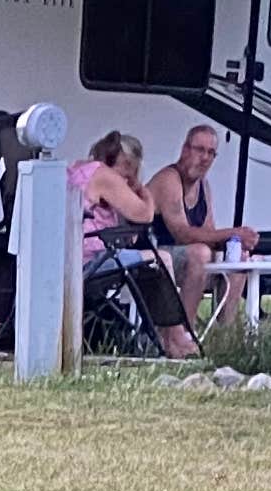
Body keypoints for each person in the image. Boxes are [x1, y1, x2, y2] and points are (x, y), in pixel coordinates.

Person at [73, 130, 201, 357]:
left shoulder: (82, 169)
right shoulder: (105, 176)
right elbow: (144, 214)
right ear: (127, 163)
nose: (128, 178)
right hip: (91, 260)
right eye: (130, 170)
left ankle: (166, 335)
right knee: (162, 259)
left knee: (143, 259)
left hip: (72, 257)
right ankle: (175, 337)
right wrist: (143, 191)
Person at [150, 122, 263, 338]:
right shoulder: (169, 179)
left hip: (188, 263)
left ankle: (224, 338)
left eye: (211, 153)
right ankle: (183, 335)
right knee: (200, 252)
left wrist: (237, 244)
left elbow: (209, 233)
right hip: (157, 259)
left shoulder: (203, 185)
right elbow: (181, 233)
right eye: (200, 150)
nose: (205, 158)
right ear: (185, 150)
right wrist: (232, 233)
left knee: (237, 262)